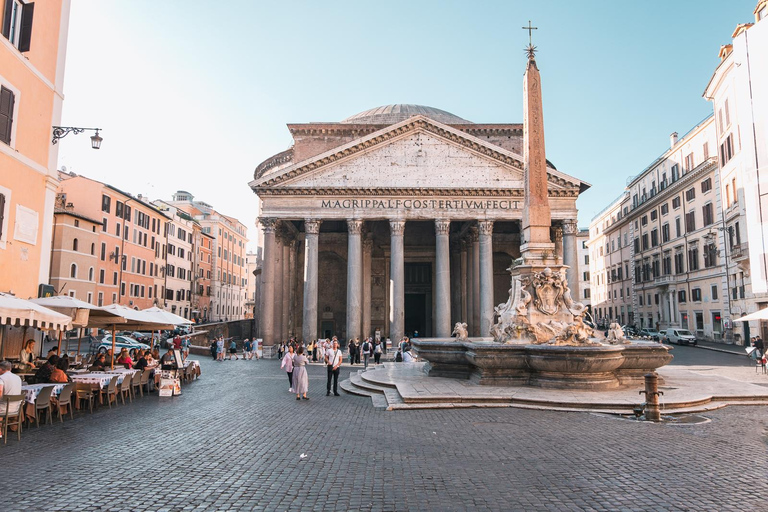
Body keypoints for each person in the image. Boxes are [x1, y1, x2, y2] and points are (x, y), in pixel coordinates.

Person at [0, 360, 23, 437]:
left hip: (4, 409)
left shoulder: (1, 378)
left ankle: (0, 431)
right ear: (10, 369)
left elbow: (0, 392)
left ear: (0, 369)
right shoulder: (18, 378)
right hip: (16, 409)